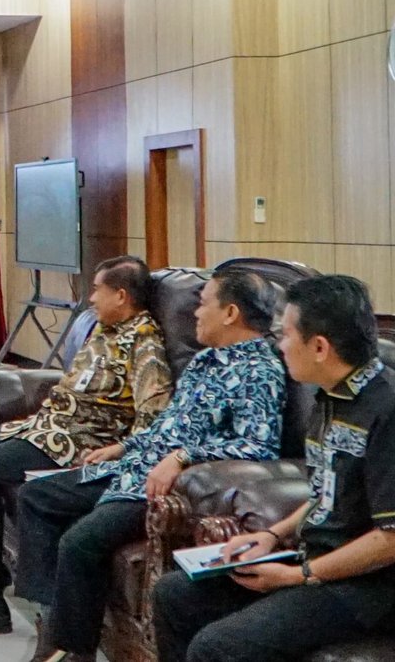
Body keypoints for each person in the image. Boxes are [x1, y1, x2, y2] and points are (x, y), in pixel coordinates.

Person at [18, 271, 286, 662]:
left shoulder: (259, 372)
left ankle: (70, 651)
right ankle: (52, 623)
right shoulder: (205, 360)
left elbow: (258, 446)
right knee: (36, 496)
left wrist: (183, 457)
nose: (195, 313)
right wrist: (123, 446)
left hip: (161, 487)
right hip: (133, 465)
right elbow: (168, 425)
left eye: (203, 304)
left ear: (230, 313)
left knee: (80, 542)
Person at [0, 255, 172, 638]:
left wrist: (121, 449)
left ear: (122, 296)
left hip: (74, 442)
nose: (91, 298)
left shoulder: (145, 346)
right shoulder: (105, 328)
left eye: (98, 290)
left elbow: (154, 417)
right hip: (43, 427)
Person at [152, 275, 395, 662]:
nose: (279, 346)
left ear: (319, 347)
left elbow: (390, 540)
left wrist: (299, 576)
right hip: (315, 559)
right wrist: (270, 535)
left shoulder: (385, 410)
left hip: (366, 587)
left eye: (286, 335)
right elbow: (325, 493)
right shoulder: (330, 396)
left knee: (215, 647)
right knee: (174, 594)